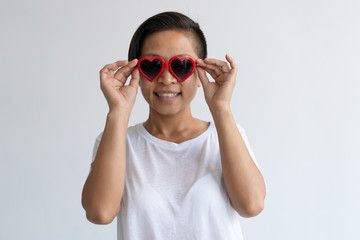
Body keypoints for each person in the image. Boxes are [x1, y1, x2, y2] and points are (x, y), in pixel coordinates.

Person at [82, 11, 266, 240]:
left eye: (181, 65)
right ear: (136, 72)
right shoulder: (116, 140)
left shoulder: (227, 135)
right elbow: (100, 212)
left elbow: (251, 205)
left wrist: (221, 109)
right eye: (152, 65)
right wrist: (118, 111)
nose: (167, 78)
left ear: (200, 74)